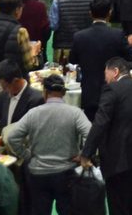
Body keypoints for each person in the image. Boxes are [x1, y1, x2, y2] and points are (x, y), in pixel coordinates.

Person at [81, 57, 132, 215]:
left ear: (115, 71)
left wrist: (86, 153)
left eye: (106, 74)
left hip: (120, 161)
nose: (105, 79)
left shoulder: (112, 90)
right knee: (131, 208)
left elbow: (100, 122)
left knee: (118, 208)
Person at [5, 74, 91, 215]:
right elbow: (91, 134)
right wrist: (83, 155)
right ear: (64, 93)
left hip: (38, 173)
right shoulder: (75, 113)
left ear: (44, 92)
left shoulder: (33, 114)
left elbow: (12, 137)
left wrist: (26, 155)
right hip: (66, 172)